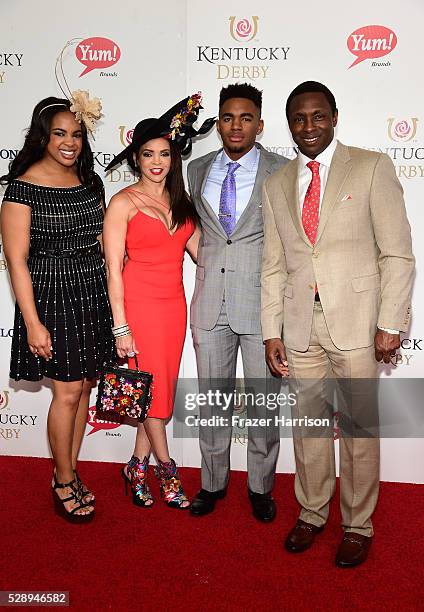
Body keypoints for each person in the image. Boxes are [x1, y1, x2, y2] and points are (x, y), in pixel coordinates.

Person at [261, 81, 415, 566]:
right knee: (307, 429)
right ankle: (311, 513)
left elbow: (397, 253)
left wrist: (391, 321)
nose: (309, 127)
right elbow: (273, 264)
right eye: (299, 119)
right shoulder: (277, 183)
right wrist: (271, 330)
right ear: (290, 125)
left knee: (358, 430)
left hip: (357, 325)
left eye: (318, 116)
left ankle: (357, 524)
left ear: (334, 116)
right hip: (300, 326)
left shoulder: (371, 167)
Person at [0, 95, 115, 522]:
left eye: (78, 134)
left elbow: (104, 241)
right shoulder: (22, 188)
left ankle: (69, 468)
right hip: (51, 296)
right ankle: (63, 478)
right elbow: (16, 261)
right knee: (66, 392)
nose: (70, 142)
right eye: (60, 133)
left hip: (91, 291)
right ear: (43, 137)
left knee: (84, 387)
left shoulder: (91, 182)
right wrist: (32, 322)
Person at [103, 94, 213, 509]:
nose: (156, 161)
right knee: (152, 394)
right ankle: (167, 471)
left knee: (156, 391)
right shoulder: (123, 203)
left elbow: (204, 253)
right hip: (138, 308)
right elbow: (113, 268)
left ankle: (135, 464)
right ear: (136, 157)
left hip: (173, 309)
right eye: (147, 153)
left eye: (164, 153)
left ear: (173, 157)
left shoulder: (183, 204)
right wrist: (121, 327)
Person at [187, 83, 288, 521]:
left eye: (246, 118)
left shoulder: (282, 171)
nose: (236, 125)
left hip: (262, 306)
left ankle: (261, 488)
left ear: (260, 124)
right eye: (228, 117)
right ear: (219, 123)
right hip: (210, 304)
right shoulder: (196, 169)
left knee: (264, 403)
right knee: (212, 401)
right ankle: (212, 483)